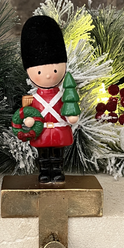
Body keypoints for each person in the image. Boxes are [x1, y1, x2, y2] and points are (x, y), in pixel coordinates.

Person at [20, 15, 79, 183]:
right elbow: (29, 113)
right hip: (43, 131)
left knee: (58, 155)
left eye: (54, 70)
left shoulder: (63, 96)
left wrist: (71, 116)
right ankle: (44, 172)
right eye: (39, 72)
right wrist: (29, 119)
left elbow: (68, 107)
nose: (47, 75)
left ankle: (58, 171)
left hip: (59, 130)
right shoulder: (34, 99)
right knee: (43, 156)